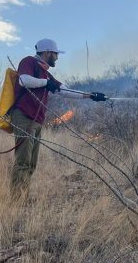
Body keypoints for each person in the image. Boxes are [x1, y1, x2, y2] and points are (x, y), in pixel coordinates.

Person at [9, 38, 105, 194]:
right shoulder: (29, 62)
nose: (57, 57)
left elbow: (65, 91)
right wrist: (46, 83)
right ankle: (16, 200)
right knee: (23, 161)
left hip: (36, 121)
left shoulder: (46, 74)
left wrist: (91, 96)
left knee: (31, 163)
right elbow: (23, 80)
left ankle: (22, 196)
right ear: (47, 53)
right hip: (24, 117)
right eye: (55, 54)